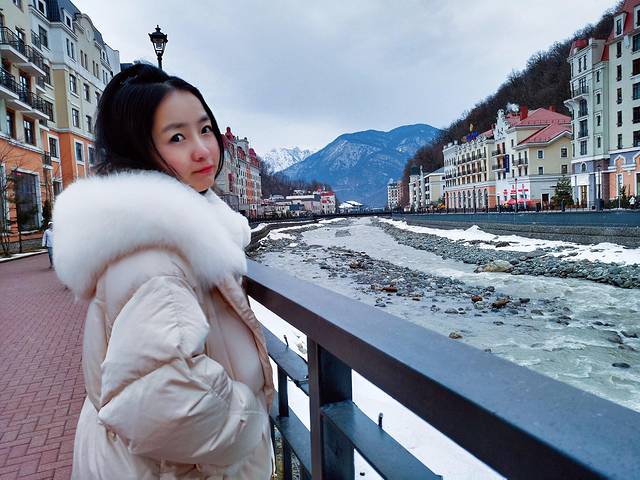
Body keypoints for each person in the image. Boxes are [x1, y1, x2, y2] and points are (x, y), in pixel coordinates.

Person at [52, 64, 274, 479]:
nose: (203, 150)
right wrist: (249, 417)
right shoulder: (154, 258)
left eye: (204, 129)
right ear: (137, 151)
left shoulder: (159, 237)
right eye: (177, 138)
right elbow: (161, 399)